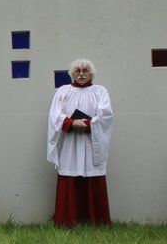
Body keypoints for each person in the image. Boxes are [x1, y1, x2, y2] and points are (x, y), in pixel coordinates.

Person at [45, 59, 113, 227]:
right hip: (70, 143)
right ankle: (67, 220)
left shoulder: (100, 91)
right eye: (77, 70)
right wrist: (71, 123)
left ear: (91, 74)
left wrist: (89, 125)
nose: (81, 74)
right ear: (72, 74)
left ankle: (97, 221)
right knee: (70, 173)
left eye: (85, 70)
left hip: (91, 141)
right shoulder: (63, 92)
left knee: (92, 174)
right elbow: (55, 115)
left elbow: (106, 115)